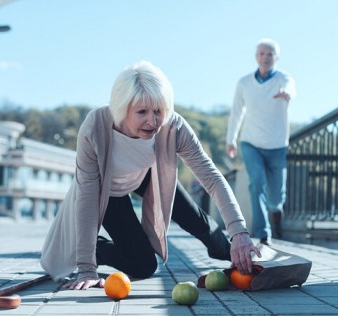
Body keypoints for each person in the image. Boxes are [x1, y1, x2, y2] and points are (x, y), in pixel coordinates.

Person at [41, 61, 260, 290]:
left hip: (147, 174)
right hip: (107, 189)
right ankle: (96, 248)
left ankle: (235, 253)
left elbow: (212, 179)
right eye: (142, 112)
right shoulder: (95, 127)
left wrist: (239, 233)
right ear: (122, 108)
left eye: (158, 111)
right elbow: (86, 196)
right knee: (143, 266)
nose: (153, 121)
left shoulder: (173, 125)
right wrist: (87, 267)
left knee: (199, 222)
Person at [226, 38, 296, 245]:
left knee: (275, 198)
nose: (266, 57)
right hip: (251, 143)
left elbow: (291, 88)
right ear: (256, 56)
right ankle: (263, 233)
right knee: (256, 183)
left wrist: (287, 93)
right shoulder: (244, 83)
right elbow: (237, 112)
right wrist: (231, 140)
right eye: (262, 53)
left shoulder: (284, 79)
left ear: (277, 58)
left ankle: (276, 214)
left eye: (270, 54)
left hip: (277, 145)